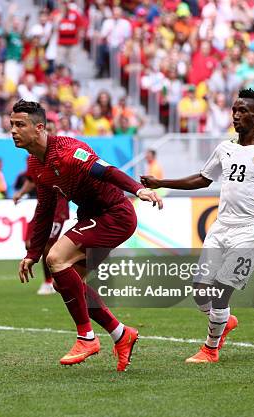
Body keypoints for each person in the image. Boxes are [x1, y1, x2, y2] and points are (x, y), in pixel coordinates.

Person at [142, 89, 254, 363]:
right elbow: (203, 179)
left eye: (243, 111)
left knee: (219, 293)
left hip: (247, 232)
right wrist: (161, 183)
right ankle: (223, 321)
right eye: (234, 110)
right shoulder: (224, 148)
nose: (236, 116)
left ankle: (210, 349)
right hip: (220, 228)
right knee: (199, 291)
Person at [10, 99, 162, 371]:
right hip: (92, 218)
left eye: (20, 124)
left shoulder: (69, 151)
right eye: (11, 124)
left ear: (39, 128)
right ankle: (121, 334)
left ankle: (86, 337)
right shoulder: (36, 163)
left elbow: (106, 170)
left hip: (114, 215)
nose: (13, 130)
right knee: (66, 283)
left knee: (56, 258)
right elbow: (44, 209)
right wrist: (32, 254)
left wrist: (138, 190)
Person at [13, 156, 69, 296]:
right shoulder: (33, 159)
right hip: (43, 206)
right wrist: (20, 193)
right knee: (30, 243)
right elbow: (31, 181)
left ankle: (50, 281)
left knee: (47, 245)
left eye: (50, 131)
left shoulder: (59, 154)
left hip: (58, 208)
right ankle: (64, 269)